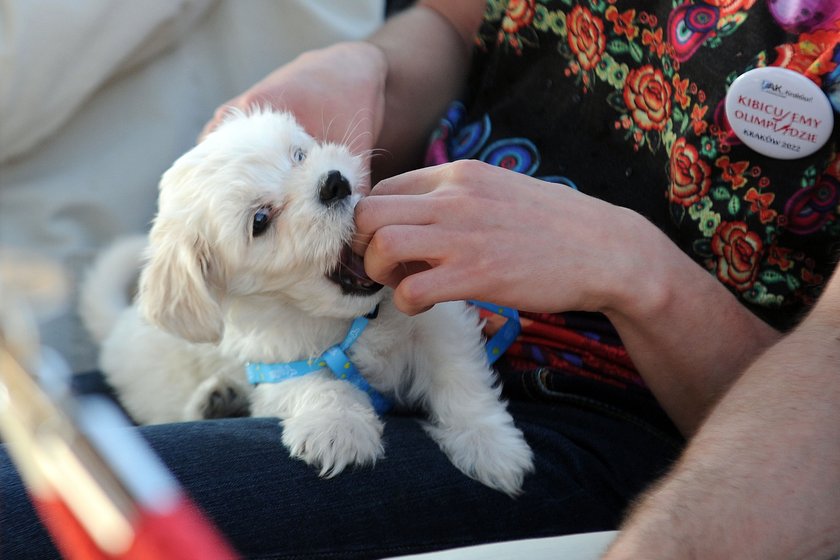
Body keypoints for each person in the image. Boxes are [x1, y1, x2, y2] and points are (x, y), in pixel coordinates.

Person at [1, 1, 838, 559]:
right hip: (352, 318)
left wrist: (640, 273)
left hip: (616, 425)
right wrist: (368, 68)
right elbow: (453, 16)